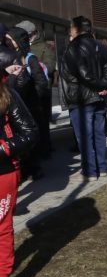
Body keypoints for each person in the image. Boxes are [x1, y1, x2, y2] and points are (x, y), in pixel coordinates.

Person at [0, 46, 38, 277]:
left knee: (1, 227)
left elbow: (30, 132)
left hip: (3, 172)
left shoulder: (7, 95)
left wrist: (4, 147)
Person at [60, 15, 107, 181]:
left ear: (75, 29)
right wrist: (103, 86)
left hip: (82, 98)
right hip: (97, 97)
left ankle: (90, 171)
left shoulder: (74, 47)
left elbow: (84, 75)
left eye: (71, 28)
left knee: (85, 135)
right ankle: (101, 167)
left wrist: (100, 86)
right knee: (98, 133)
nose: (70, 31)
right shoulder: (101, 46)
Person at [5, 27, 48, 180]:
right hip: (18, 104)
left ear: (17, 41)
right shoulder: (11, 56)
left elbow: (41, 83)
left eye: (10, 39)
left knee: (31, 139)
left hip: (30, 105)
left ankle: (35, 168)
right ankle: (25, 168)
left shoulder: (30, 58)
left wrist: (33, 98)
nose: (7, 41)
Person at [15, 21, 53, 157]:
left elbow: (50, 67)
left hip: (42, 91)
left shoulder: (43, 48)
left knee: (42, 123)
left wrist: (37, 65)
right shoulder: (23, 50)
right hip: (32, 91)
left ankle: (45, 148)